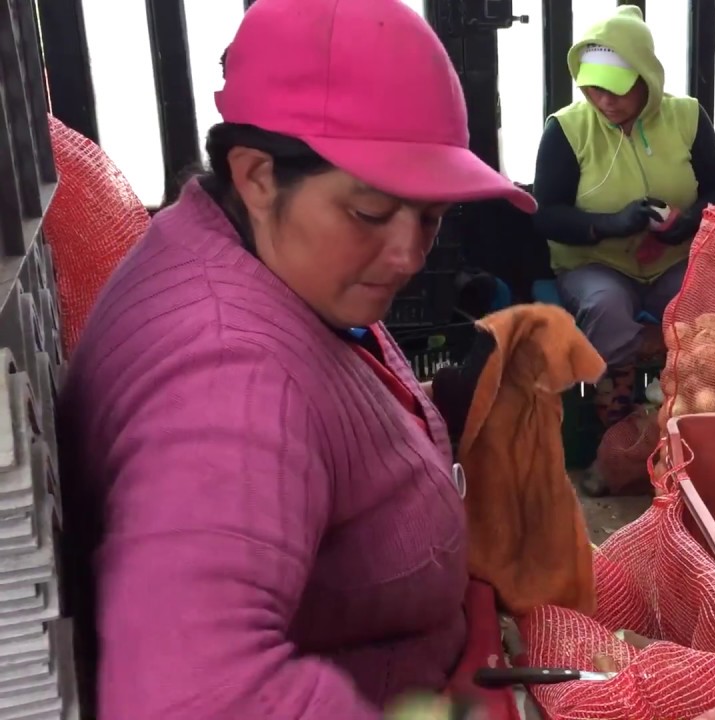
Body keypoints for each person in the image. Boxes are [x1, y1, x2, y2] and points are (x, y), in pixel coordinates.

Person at [55, 0, 534, 718]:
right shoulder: (225, 378)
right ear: (256, 176)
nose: (408, 254)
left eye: (431, 217)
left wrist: (422, 414)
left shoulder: (260, 258)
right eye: (369, 212)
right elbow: (194, 699)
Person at [531, 4, 715, 432]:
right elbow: (547, 216)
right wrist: (607, 225)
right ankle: (618, 424)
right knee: (606, 304)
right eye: (593, 89)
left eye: (618, 89)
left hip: (672, 260)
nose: (605, 101)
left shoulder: (687, 117)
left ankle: (700, 413)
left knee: (709, 301)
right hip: (596, 265)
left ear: (648, 78)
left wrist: (691, 220)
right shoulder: (567, 130)